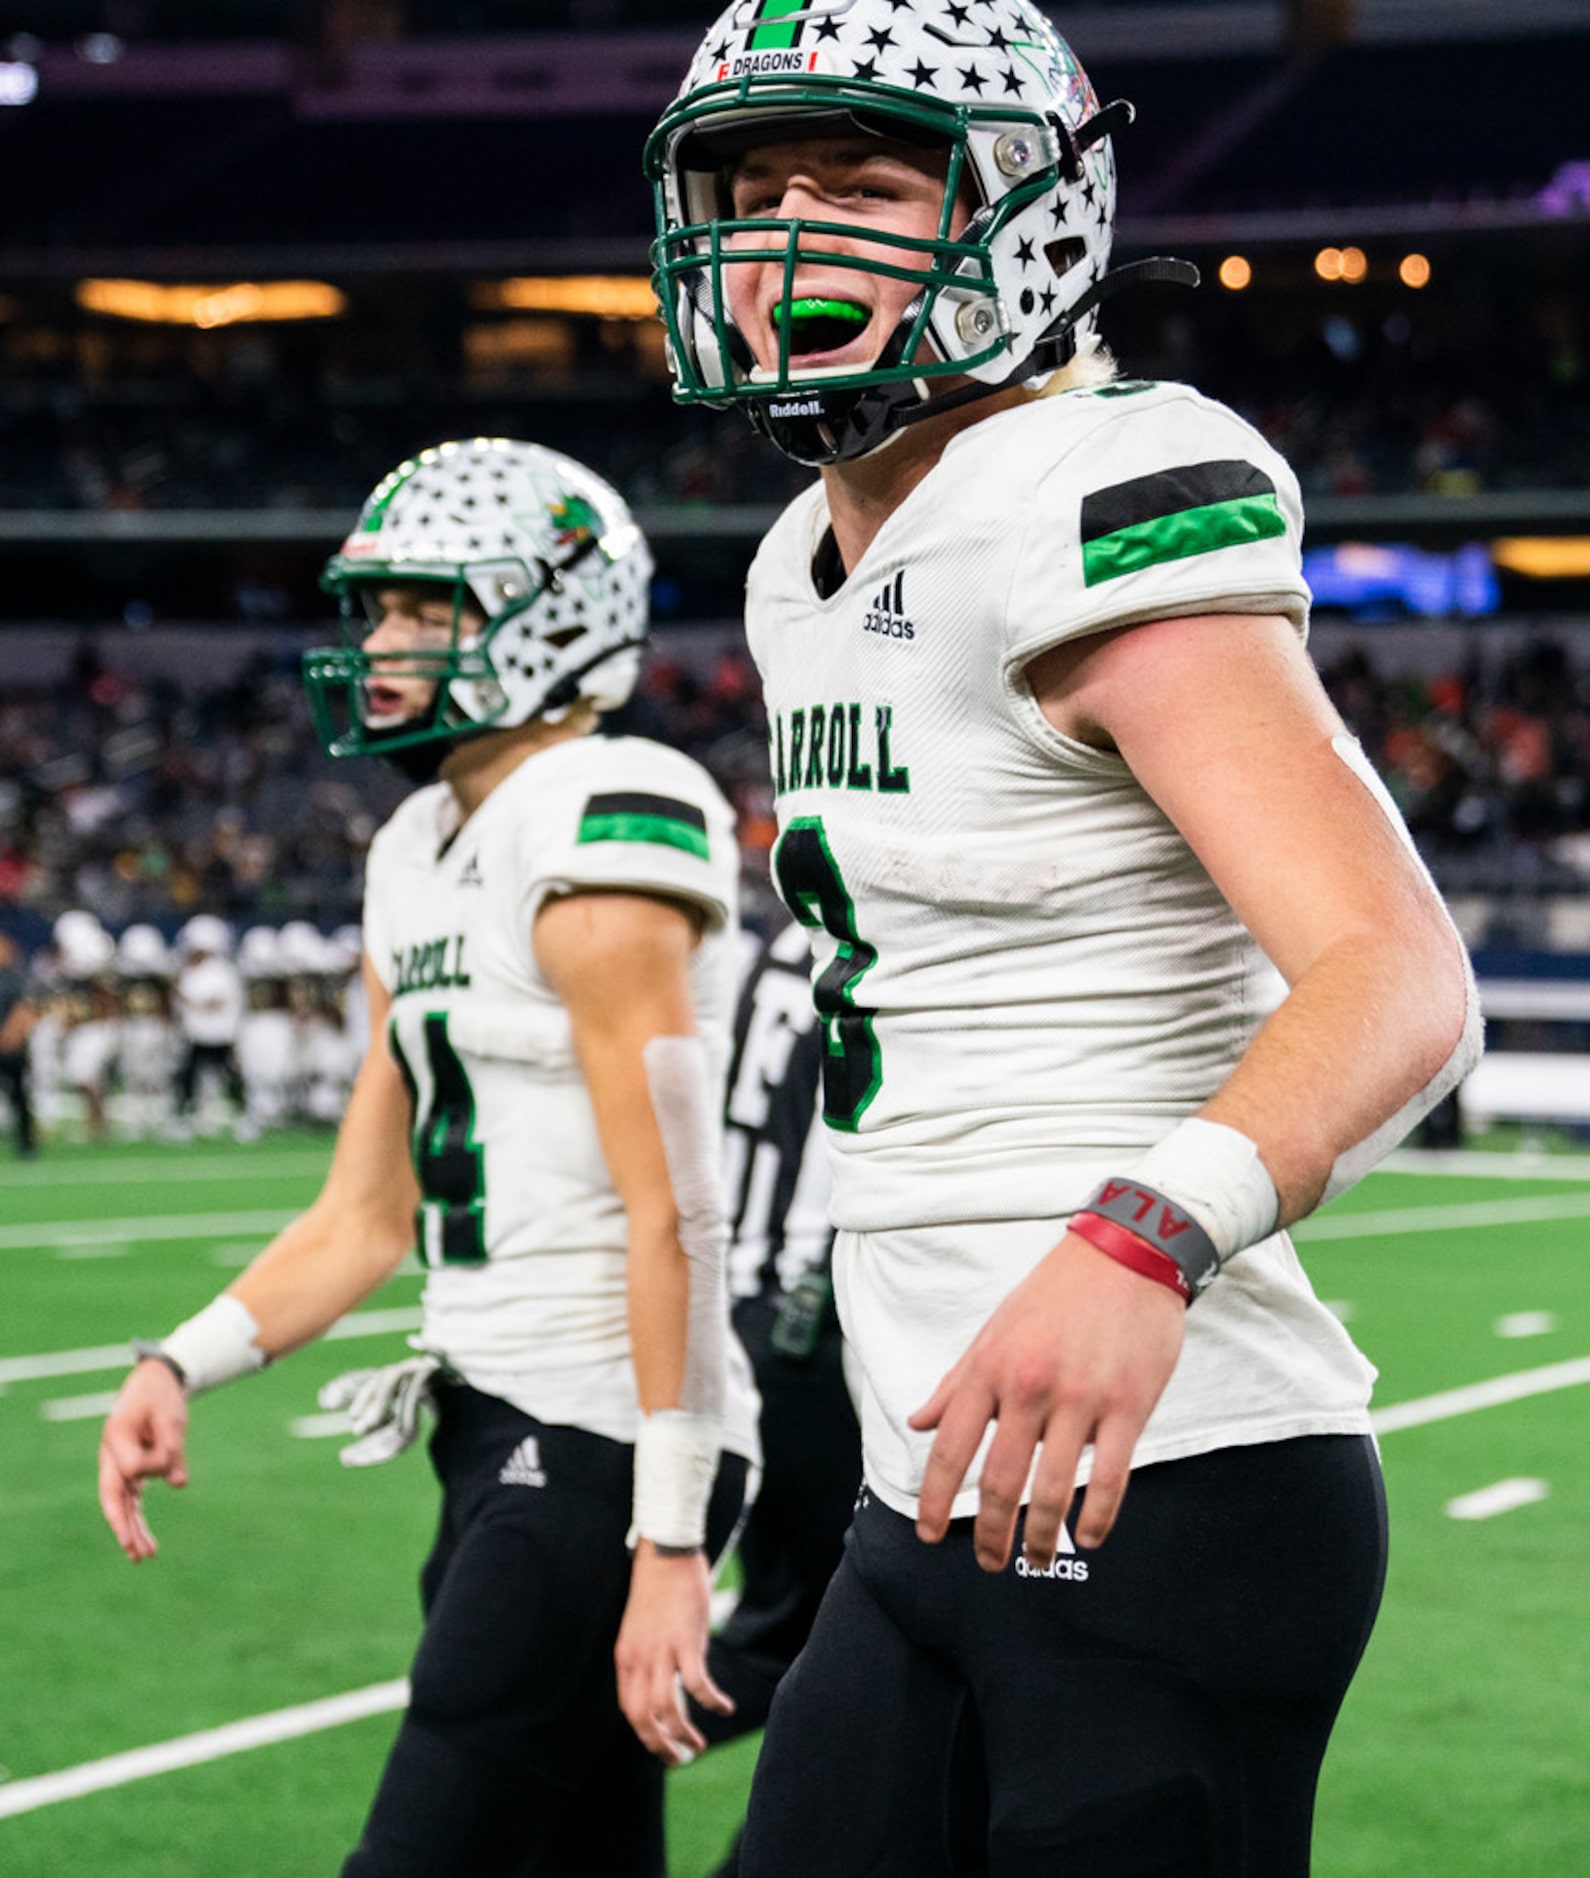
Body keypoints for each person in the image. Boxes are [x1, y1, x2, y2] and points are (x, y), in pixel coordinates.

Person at [646, 9, 1482, 1875]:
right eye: (748, 187)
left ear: (1025, 211)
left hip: (1172, 1470)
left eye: (861, 186)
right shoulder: (804, 557)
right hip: (917, 1469)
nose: (784, 231)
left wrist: (1143, 1231)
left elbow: (1399, 972)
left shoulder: (1092, 478)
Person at [96, 438, 762, 1878]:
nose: (382, 643)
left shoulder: (602, 810)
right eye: (378, 607)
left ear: (554, 611)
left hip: (601, 1428)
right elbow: (364, 1208)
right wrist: (178, 1360)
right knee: (584, 1852)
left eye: (425, 608)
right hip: (488, 1414)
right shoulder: (412, 845)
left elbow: (680, 1217)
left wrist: (667, 1535)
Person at [696, 918, 862, 1878]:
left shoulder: (764, 948)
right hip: (808, 1330)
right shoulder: (872, 934)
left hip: (739, 1314)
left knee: (810, 1631)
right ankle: (555, 1759)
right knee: (822, 1642)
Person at [0, 929, 40, 1158]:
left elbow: (25, 1008)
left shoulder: (16, 978)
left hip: (11, 1048)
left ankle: (26, 1143)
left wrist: (11, 1035)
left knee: (19, 1096)